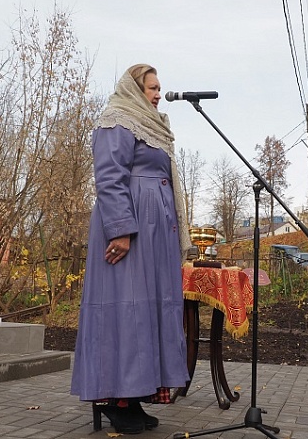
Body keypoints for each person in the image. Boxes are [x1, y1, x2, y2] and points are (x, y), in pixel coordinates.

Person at [70, 64, 190, 434]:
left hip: (156, 233)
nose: (157, 94)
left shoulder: (154, 126)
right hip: (131, 227)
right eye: (152, 88)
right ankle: (114, 400)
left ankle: (135, 398)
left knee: (149, 311)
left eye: (158, 88)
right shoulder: (117, 119)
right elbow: (109, 175)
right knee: (125, 309)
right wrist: (121, 230)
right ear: (134, 88)